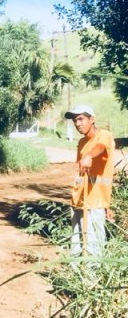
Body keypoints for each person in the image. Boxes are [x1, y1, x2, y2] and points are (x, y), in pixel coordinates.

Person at [66, 104, 115, 256]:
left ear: (92, 119)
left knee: (94, 247)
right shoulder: (81, 142)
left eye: (81, 119)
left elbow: (101, 147)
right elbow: (80, 171)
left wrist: (89, 156)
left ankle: (92, 278)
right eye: (75, 120)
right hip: (78, 200)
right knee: (77, 245)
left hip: (96, 202)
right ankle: (77, 275)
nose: (77, 124)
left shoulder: (104, 135)